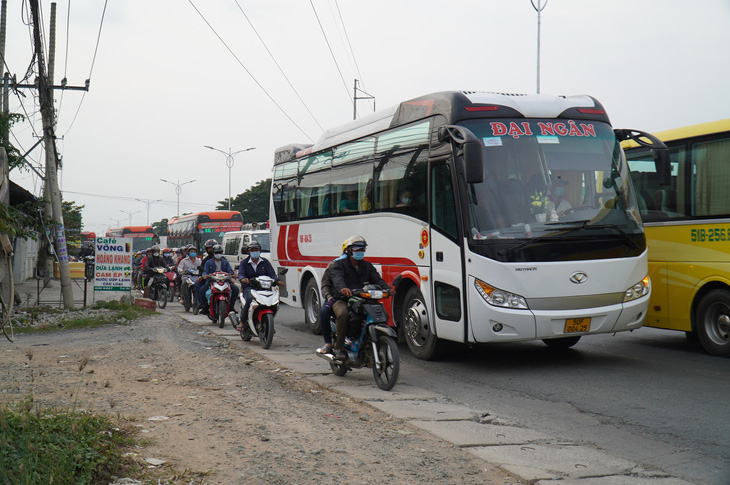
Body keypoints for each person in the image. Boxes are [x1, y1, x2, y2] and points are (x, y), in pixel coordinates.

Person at [330, 235, 390, 361]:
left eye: (362, 249)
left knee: (383, 314)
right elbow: (337, 279)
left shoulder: (367, 266)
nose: (360, 252)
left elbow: (377, 279)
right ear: (349, 250)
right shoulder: (338, 265)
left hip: (363, 298)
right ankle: (341, 347)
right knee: (343, 314)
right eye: (357, 249)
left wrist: (388, 289)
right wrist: (343, 288)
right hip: (343, 299)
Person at [236, 241, 282, 330]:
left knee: (274, 302)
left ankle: (268, 322)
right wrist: (243, 279)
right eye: (252, 250)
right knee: (249, 299)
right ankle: (242, 322)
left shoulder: (265, 262)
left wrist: (277, 280)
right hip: (249, 287)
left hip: (264, 288)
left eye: (256, 250)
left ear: (260, 251)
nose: (254, 252)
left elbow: (271, 274)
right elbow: (241, 274)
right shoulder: (244, 263)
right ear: (249, 252)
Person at [315, 240, 349, 355]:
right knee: (324, 312)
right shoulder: (333, 265)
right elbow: (325, 285)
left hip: (353, 298)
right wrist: (329, 297)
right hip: (335, 298)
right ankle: (328, 343)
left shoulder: (359, 266)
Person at [200, 244, 238, 317]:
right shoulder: (208, 262)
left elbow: (230, 270)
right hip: (212, 281)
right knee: (202, 290)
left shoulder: (225, 262)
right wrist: (205, 275)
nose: (218, 254)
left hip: (225, 280)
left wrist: (232, 274)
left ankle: (231, 307)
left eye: (220, 252)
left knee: (235, 289)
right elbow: (205, 271)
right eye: (216, 253)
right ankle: (205, 308)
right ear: (213, 253)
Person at [194, 239, 219, 312]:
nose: (210, 250)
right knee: (199, 285)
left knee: (234, 289)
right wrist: (201, 276)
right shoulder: (206, 260)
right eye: (208, 248)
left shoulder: (223, 260)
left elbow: (228, 270)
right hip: (209, 279)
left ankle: (230, 306)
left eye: (211, 248)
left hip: (221, 279)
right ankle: (202, 303)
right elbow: (203, 270)